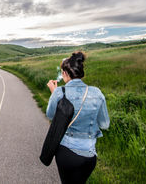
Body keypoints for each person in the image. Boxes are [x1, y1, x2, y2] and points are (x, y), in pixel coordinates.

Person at [46, 51, 110, 184]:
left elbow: (51, 115)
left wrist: (54, 93)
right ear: (81, 72)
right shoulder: (96, 92)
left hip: (66, 153)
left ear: (64, 73)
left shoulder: (59, 92)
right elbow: (105, 124)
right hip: (90, 155)